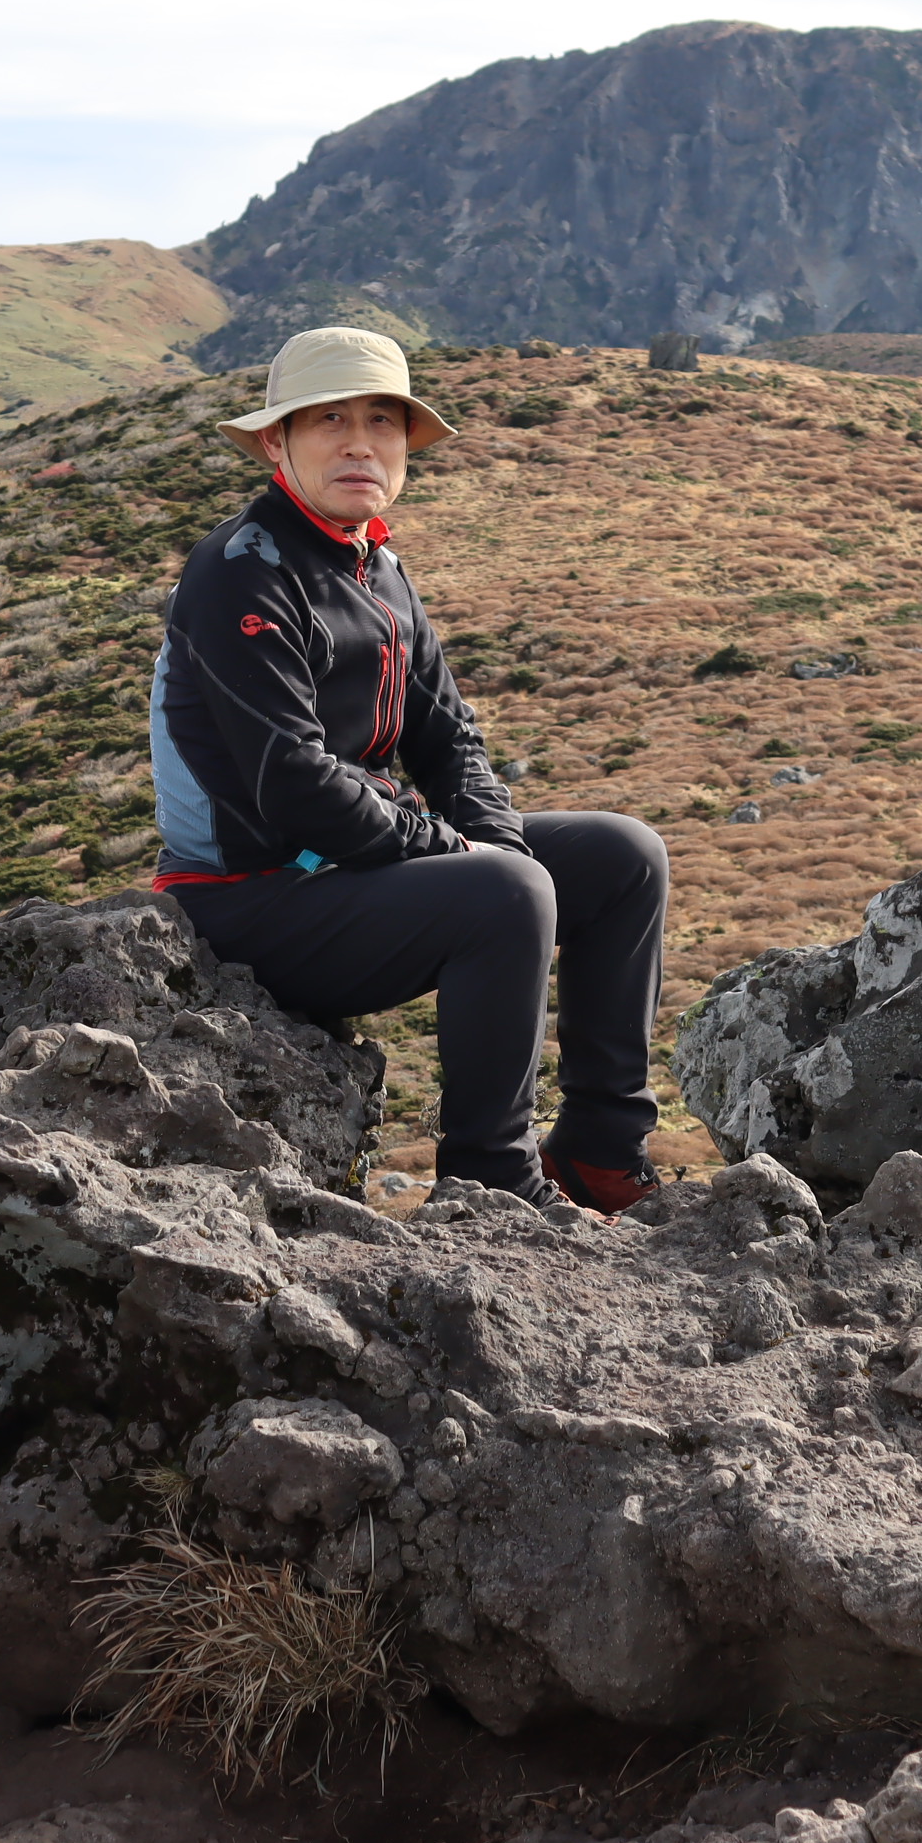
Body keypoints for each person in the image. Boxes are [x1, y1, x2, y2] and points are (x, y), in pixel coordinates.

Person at [146, 327, 669, 1216]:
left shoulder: (378, 569)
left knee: (624, 857)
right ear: (276, 442)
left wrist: (500, 843)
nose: (360, 442)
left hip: (350, 874)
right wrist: (458, 852)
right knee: (504, 892)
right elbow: (294, 785)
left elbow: (449, 742)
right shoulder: (238, 572)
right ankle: (492, 1183)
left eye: (382, 421)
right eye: (330, 420)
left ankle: (599, 1152)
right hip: (245, 899)